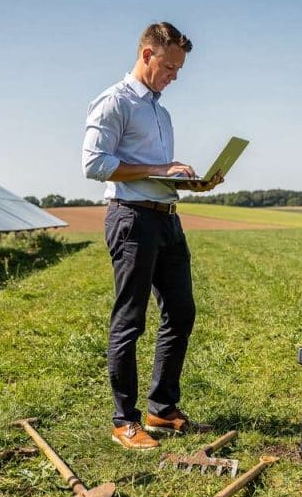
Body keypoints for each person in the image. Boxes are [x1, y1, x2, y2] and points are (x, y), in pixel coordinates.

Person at [82, 22, 224, 450]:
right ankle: (123, 421)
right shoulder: (114, 102)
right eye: (171, 65)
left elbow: (152, 170)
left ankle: (161, 409)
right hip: (131, 220)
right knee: (130, 320)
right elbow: (94, 165)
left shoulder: (161, 112)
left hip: (166, 218)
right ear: (147, 54)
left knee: (181, 312)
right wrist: (161, 170)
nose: (175, 75)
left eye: (180, 68)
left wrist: (189, 181)